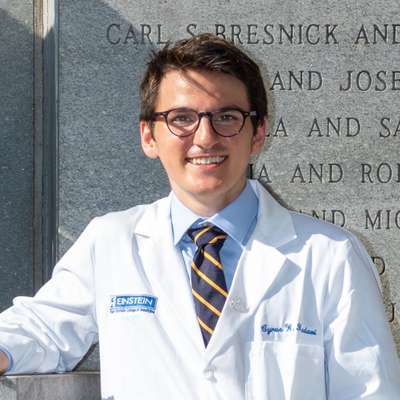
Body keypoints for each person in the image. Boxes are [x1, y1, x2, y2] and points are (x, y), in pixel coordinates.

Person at [0, 33, 399, 399]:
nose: (205, 138)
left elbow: (370, 391)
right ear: (148, 136)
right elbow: (40, 329)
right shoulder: (111, 242)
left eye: (227, 117)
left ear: (258, 133)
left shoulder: (331, 257)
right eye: (182, 118)